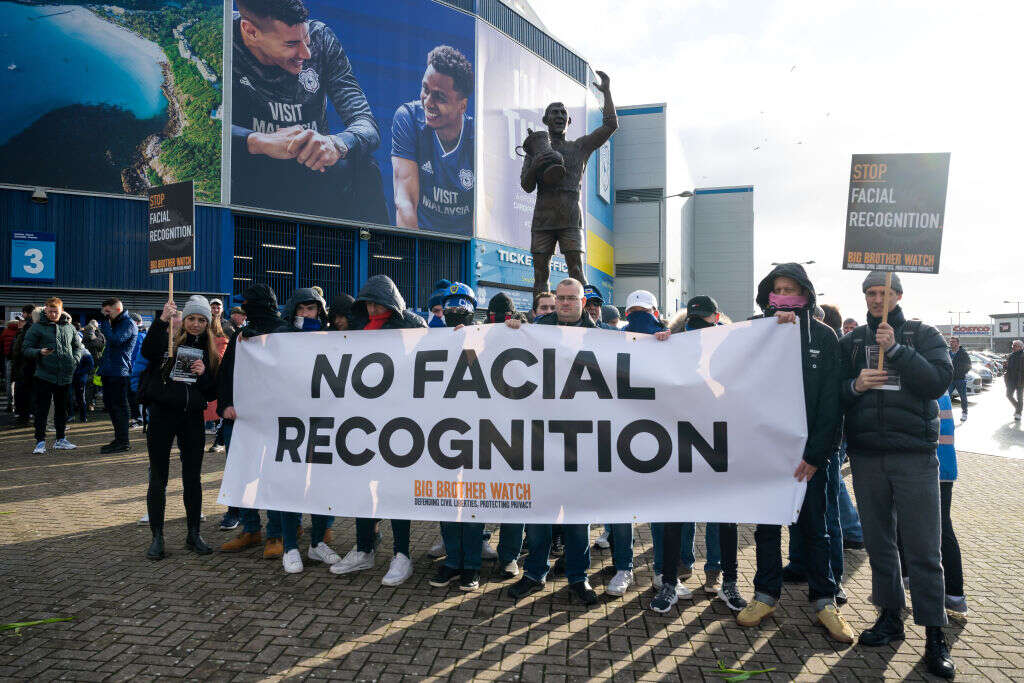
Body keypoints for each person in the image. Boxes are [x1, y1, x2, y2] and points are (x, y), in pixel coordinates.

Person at [839, 271, 955, 679]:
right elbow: (833, 393)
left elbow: (938, 382)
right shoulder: (853, 342)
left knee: (924, 549)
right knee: (880, 545)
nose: (876, 300)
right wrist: (855, 385)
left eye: (884, 293)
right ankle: (890, 616)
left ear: (898, 296)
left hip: (914, 457)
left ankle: (935, 633)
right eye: (870, 293)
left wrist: (898, 350)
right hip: (867, 456)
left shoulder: (923, 335)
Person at [735, 264, 853, 644]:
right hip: (765, 454)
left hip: (808, 458)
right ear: (768, 295)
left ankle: (824, 600)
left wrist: (817, 455)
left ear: (805, 294)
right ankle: (764, 596)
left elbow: (831, 403)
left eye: (791, 289)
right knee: (767, 529)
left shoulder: (824, 336)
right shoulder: (753, 330)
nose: (784, 295)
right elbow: (714, 363)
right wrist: (668, 340)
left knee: (815, 530)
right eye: (778, 289)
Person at [231, 0, 387, 223]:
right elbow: (201, 130)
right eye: (291, 44)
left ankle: (378, 245)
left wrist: (335, 144)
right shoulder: (220, 37)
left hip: (312, 170)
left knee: (365, 167)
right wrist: (258, 141)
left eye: (306, 39)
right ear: (251, 31)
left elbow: (366, 125)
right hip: (251, 173)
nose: (305, 53)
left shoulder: (321, 37)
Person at [503, 278, 598, 604]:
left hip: (580, 439)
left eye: (572, 298)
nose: (565, 303)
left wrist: (660, 339)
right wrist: (511, 329)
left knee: (576, 518)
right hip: (540, 436)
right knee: (539, 514)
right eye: (561, 298)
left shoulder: (602, 336)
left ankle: (579, 578)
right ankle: (534, 574)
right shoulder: (536, 329)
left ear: (583, 302)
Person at [330, 275, 426, 586]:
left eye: (377, 303)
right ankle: (364, 549)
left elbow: (433, 356)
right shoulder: (359, 326)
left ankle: (402, 554)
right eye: (368, 304)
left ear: (389, 301)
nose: (372, 309)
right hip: (364, 421)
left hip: (398, 421)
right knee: (363, 487)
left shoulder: (412, 324)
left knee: (393, 489)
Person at [650, 296, 732, 614]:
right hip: (679, 440)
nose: (698, 328)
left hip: (717, 438)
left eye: (705, 320)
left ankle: (716, 572)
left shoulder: (730, 343)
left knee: (718, 512)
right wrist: (659, 344)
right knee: (675, 511)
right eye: (693, 322)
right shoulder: (672, 344)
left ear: (717, 317)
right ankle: (672, 574)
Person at [521, 73, 617, 294]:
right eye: (554, 112)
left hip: (571, 217)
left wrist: (607, 93)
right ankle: (540, 313)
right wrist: (536, 165)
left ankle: (589, 312)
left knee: (577, 272)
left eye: (563, 113)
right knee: (540, 276)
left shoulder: (579, 147)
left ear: (569, 121)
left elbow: (611, 125)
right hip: (543, 218)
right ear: (545, 120)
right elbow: (526, 186)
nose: (559, 116)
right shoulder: (535, 150)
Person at [140, 296, 219, 560]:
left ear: (207, 323)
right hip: (162, 415)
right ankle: (157, 537)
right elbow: (148, 352)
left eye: (201, 320)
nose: (196, 324)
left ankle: (193, 534)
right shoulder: (169, 341)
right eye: (191, 319)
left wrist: (203, 374)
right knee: (158, 477)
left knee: (192, 478)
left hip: (192, 417)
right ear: (184, 320)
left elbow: (212, 391)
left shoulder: (210, 350)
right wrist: (162, 321)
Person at [218, 284, 293, 556]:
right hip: (242, 419)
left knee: (272, 477)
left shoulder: (286, 334)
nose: (244, 308)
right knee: (242, 474)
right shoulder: (241, 336)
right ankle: (251, 529)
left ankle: (276, 534)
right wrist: (225, 404)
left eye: (248, 303)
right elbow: (226, 373)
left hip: (275, 421)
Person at [784, 302, 849, 605]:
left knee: (826, 514)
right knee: (796, 511)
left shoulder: (826, 341)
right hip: (794, 444)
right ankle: (799, 565)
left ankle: (832, 580)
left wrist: (822, 450)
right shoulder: (783, 337)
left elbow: (832, 401)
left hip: (821, 448)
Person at [272, 287, 341, 574]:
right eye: (300, 308)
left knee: (323, 486)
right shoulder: (280, 336)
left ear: (319, 311)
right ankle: (290, 546)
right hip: (292, 422)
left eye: (310, 308)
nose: (305, 313)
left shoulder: (331, 337)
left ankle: (317, 543)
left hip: (324, 421)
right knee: (292, 486)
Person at [427, 283, 489, 591]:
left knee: (473, 501)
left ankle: (472, 565)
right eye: (449, 305)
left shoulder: (486, 337)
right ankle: (452, 561)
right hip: (442, 432)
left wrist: (515, 323)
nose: (455, 310)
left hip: (478, 433)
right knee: (447, 501)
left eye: (461, 305)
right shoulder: (430, 337)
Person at [897, 392, 967, 619]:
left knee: (935, 528)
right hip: (942, 468)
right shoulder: (939, 386)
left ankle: (948, 593)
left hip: (928, 468)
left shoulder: (925, 385)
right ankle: (954, 595)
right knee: (940, 528)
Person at [392, 45, 474, 234]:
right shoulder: (408, 118)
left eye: (440, 97)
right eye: (425, 89)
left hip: (464, 245)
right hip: (422, 238)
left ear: (462, 106)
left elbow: (485, 217)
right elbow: (404, 202)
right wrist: (413, 249)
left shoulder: (478, 139)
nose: (428, 102)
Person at [21, 298, 84, 454]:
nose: (53, 314)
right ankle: (40, 442)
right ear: (45, 310)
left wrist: (74, 360)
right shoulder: (37, 327)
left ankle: (61, 439)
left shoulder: (69, 327)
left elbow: (78, 347)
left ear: (61, 311)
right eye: (50, 311)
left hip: (65, 375)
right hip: (44, 375)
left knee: (62, 409)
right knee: (42, 409)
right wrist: (39, 352)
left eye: (56, 311)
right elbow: (26, 348)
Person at [98, 297, 138, 454]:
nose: (105, 315)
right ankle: (119, 439)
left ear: (118, 309)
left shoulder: (128, 323)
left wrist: (105, 325)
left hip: (119, 372)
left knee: (119, 408)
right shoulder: (115, 323)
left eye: (108, 312)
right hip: (109, 371)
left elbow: (116, 340)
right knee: (112, 407)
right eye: (104, 313)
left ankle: (123, 442)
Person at [11, 304, 39, 426]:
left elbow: (23, 348)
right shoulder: (28, 327)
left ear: (28, 314)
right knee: (26, 391)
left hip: (26, 365)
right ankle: (26, 415)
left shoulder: (29, 327)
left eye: (23, 314)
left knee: (25, 392)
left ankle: (25, 416)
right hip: (26, 365)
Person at [128, 316, 148, 429]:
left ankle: (139, 419)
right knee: (135, 394)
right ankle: (139, 418)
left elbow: (134, 355)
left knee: (135, 394)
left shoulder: (139, 336)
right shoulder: (143, 335)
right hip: (135, 369)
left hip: (134, 370)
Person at [947, 336, 971, 421]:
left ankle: (964, 413)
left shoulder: (963, 353)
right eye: (950, 342)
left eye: (953, 341)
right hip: (950, 379)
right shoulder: (948, 353)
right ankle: (946, 414)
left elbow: (969, 365)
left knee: (963, 397)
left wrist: (961, 373)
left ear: (957, 343)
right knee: (946, 397)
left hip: (960, 379)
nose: (951, 343)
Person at [70, 347, 94, 425]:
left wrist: (79, 373)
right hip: (69, 378)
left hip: (80, 379)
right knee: (69, 397)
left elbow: (90, 365)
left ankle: (83, 417)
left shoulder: (85, 352)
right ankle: (71, 415)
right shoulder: (69, 348)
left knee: (80, 398)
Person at [1005, 340, 1024, 420]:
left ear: (1020, 347)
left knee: (1019, 397)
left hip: (1021, 380)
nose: (1013, 347)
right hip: (1011, 380)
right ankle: (1018, 408)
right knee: (1008, 395)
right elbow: (1008, 368)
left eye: (1015, 346)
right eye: (1013, 345)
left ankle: (1018, 413)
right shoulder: (1011, 356)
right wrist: (1005, 366)